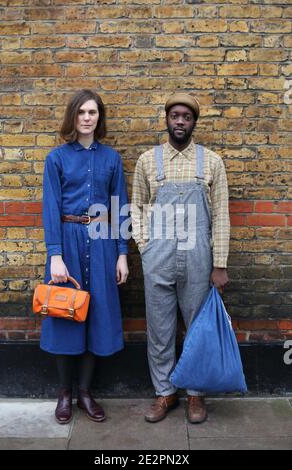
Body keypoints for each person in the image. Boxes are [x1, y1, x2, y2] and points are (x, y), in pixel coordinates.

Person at [131, 92, 230, 424]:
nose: (180, 122)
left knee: (197, 328)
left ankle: (196, 395)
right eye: (175, 115)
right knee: (159, 329)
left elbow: (221, 216)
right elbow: (138, 210)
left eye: (186, 117)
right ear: (166, 119)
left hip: (199, 257)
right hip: (158, 255)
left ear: (194, 123)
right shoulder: (148, 161)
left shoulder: (211, 162)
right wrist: (146, 249)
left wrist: (220, 263)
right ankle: (165, 393)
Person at [41, 89, 129, 424]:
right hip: (68, 239)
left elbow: (119, 208)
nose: (87, 118)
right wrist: (55, 255)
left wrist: (122, 254)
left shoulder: (111, 159)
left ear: (99, 117)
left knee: (96, 315)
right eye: (81, 113)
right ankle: (64, 393)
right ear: (73, 117)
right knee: (66, 313)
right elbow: (50, 209)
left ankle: (85, 393)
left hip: (102, 240)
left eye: (92, 112)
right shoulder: (57, 159)